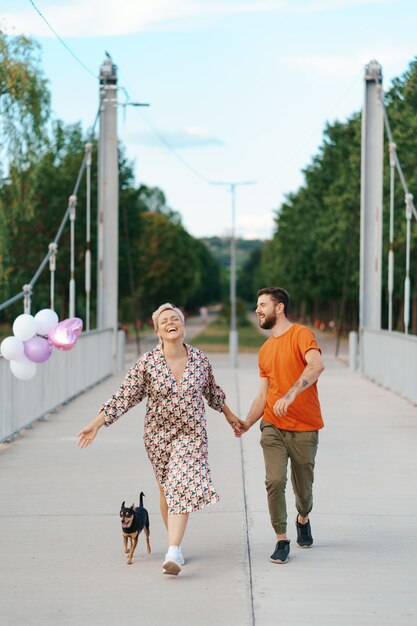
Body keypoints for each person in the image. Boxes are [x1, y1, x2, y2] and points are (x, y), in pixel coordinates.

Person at [76, 303, 240, 576]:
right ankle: (174, 545)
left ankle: (173, 551)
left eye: (175, 318)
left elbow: (213, 392)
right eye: (164, 320)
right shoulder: (148, 363)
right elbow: (124, 396)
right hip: (158, 439)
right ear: (157, 330)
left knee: (180, 485)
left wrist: (230, 416)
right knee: (167, 491)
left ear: (183, 326)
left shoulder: (199, 360)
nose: (170, 322)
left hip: (192, 436)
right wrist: (96, 424)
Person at [237, 287, 325, 565]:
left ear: (279, 307)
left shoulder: (301, 335)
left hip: (304, 427)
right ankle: (281, 538)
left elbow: (317, 365)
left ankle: (303, 517)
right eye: (256, 305)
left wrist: (290, 394)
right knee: (274, 481)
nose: (257, 310)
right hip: (272, 426)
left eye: (262, 305)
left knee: (304, 491)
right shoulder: (265, 350)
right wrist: (247, 422)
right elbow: (263, 395)